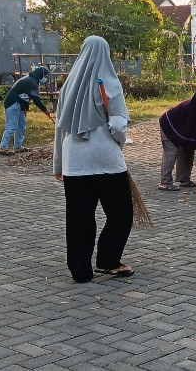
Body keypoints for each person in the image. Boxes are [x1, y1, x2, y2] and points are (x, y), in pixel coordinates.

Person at [53, 36, 134, 283]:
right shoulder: (109, 82)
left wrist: (58, 165)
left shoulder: (68, 86)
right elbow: (119, 124)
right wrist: (117, 143)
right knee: (121, 213)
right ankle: (108, 260)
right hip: (105, 159)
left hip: (73, 162)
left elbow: (59, 129)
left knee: (79, 217)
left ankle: (80, 271)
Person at [0, 67, 53, 155]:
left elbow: (26, 97)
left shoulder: (32, 80)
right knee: (12, 125)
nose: (46, 78)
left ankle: (18, 146)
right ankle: (3, 147)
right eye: (45, 76)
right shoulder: (30, 82)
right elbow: (36, 99)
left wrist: (25, 108)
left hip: (19, 104)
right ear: (41, 75)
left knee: (21, 125)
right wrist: (45, 110)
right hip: (13, 103)